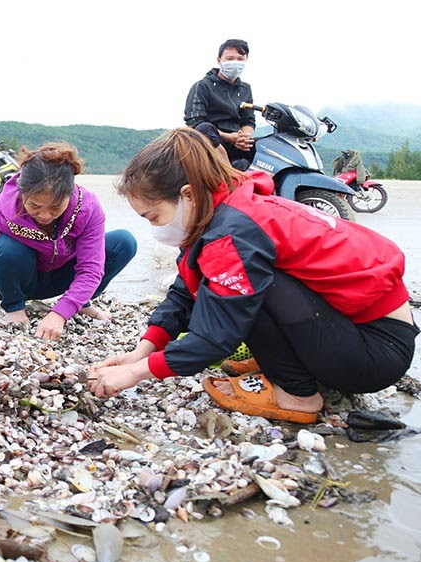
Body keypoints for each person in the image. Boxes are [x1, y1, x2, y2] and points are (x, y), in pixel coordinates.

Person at [90, 128, 417, 423]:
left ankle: (298, 395)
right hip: (353, 329)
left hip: (375, 352)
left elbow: (215, 338)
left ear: (187, 195)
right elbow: (185, 288)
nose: (154, 227)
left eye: (153, 216)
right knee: (233, 279)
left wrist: (136, 373)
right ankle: (291, 368)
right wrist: (143, 350)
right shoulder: (225, 205)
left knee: (247, 286)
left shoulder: (232, 234)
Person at [0, 142, 137, 340]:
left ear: (69, 195)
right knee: (10, 247)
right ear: (22, 193)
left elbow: (91, 269)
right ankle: (15, 308)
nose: (45, 215)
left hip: (57, 277)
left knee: (123, 242)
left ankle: (80, 303)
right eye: (35, 206)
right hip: (5, 280)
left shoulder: (86, 208)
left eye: (55, 207)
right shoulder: (1, 208)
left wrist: (60, 314)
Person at [184, 38, 256, 167]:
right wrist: (229, 137)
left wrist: (244, 137)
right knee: (204, 128)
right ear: (219, 60)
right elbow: (195, 122)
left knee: (265, 145)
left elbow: (248, 120)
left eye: (240, 59)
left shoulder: (245, 89)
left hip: (236, 143)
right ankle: (228, 171)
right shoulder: (202, 86)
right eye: (230, 59)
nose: (235, 62)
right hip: (211, 141)